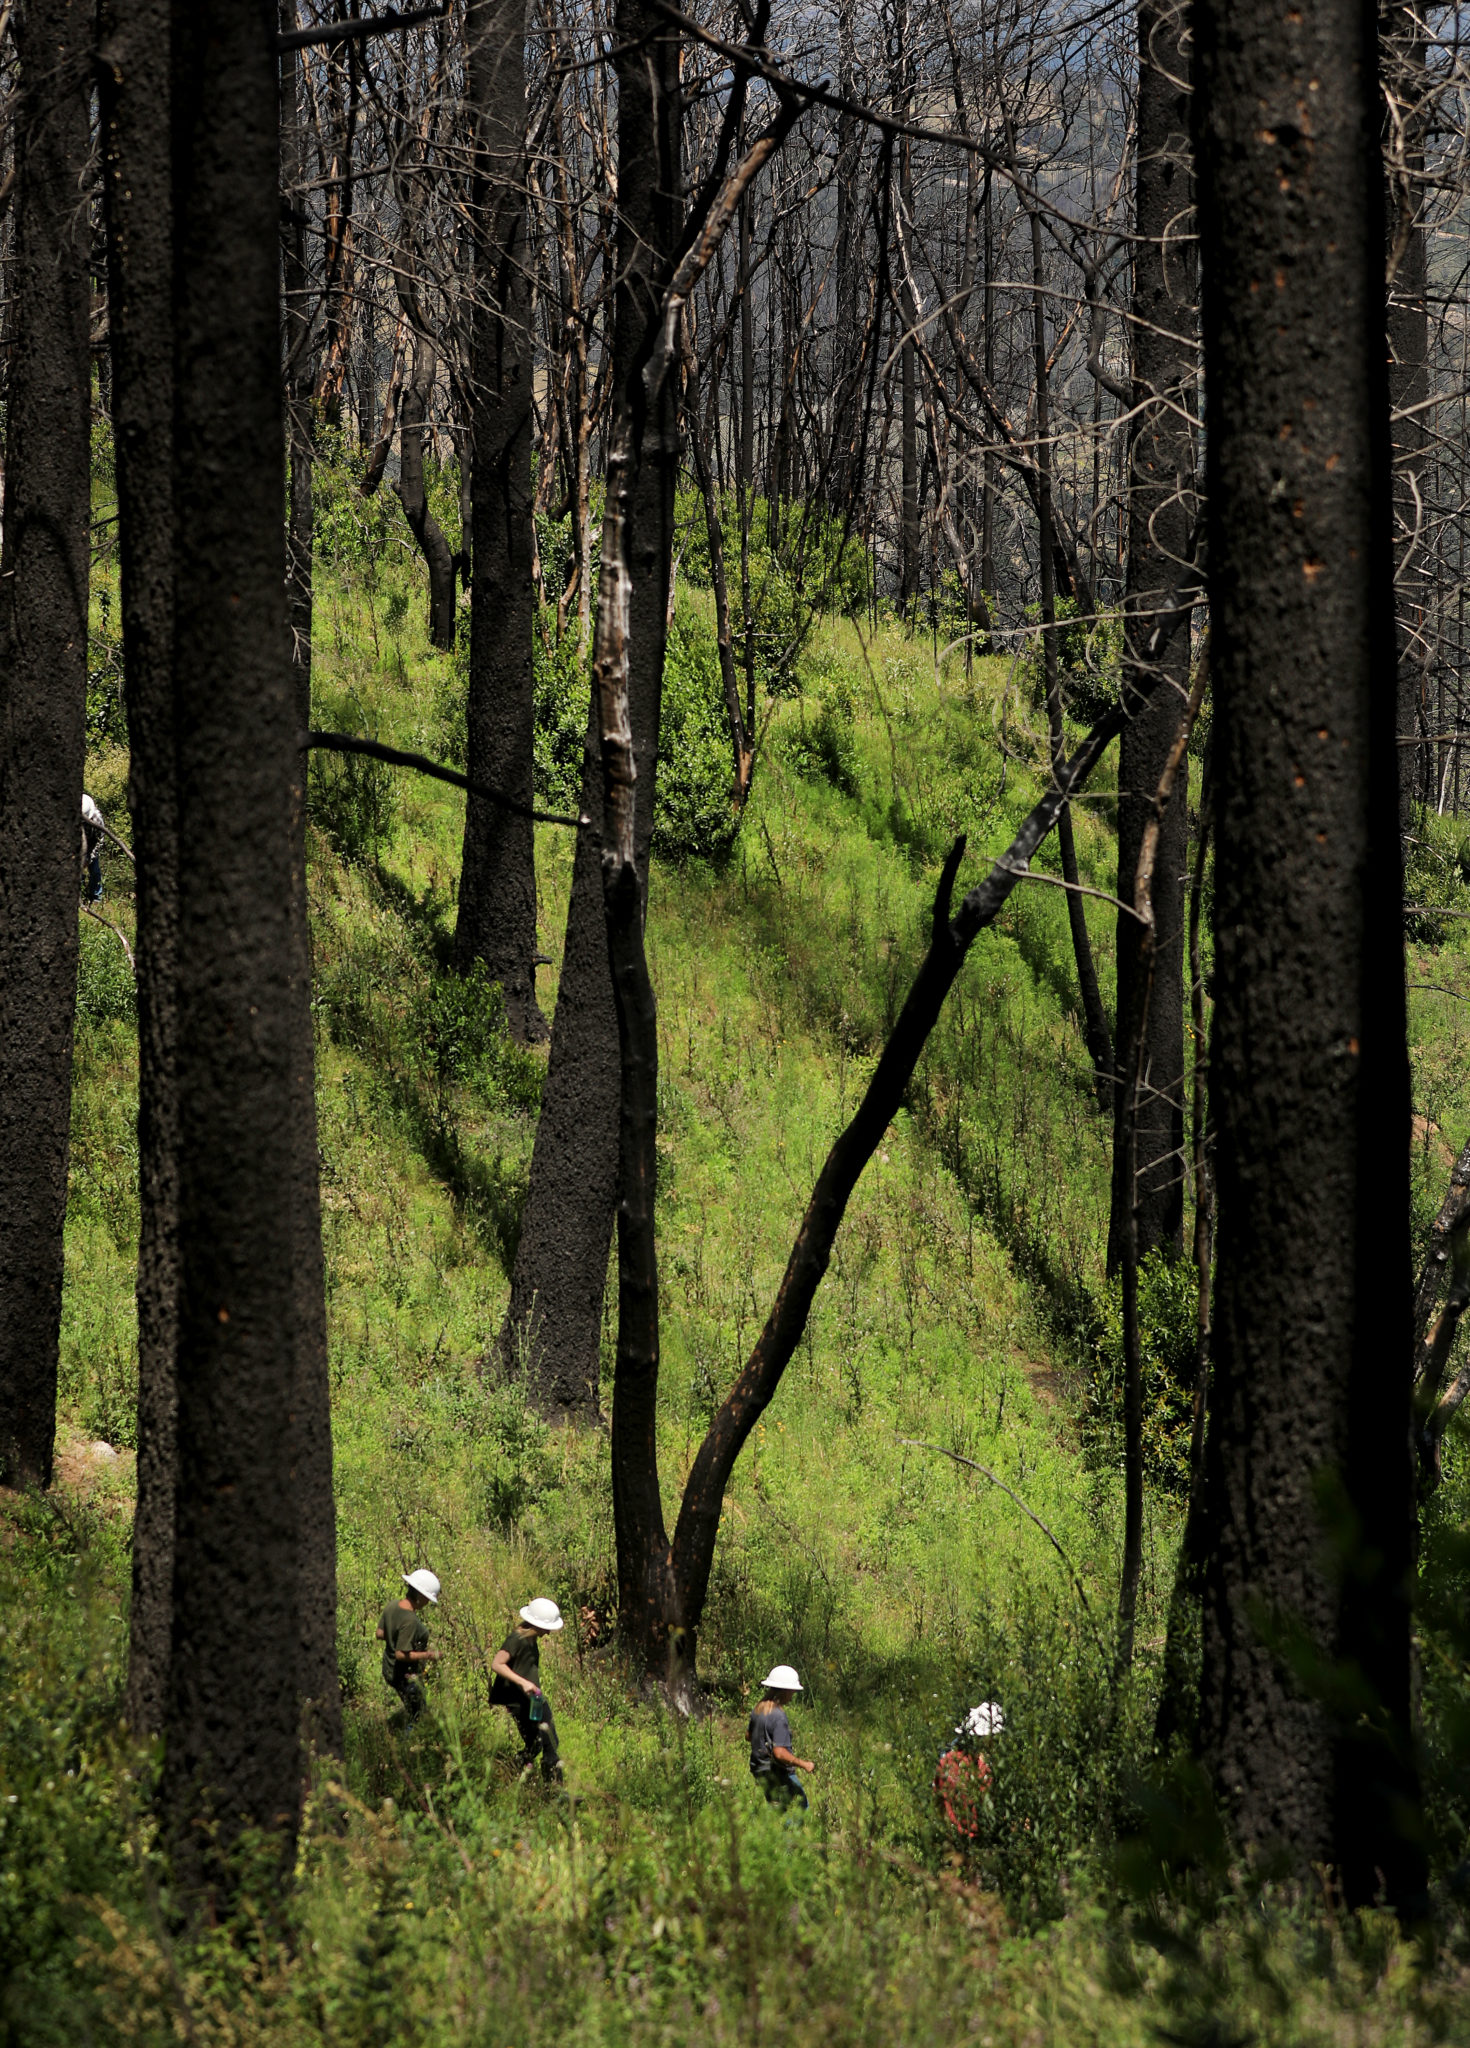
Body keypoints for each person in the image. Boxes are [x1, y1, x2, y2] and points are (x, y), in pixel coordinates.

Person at [489, 1596, 564, 1781]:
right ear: (536, 1624)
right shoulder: (517, 1639)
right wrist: (523, 1682)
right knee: (548, 1742)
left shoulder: (530, 1639)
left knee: (539, 1743)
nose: (548, 1632)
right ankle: (555, 1790)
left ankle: (511, 1769)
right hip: (520, 1701)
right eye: (547, 1628)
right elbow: (497, 1664)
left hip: (532, 1699)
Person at [377, 1568, 441, 1726]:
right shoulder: (410, 1620)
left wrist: (395, 1636)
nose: (427, 1603)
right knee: (418, 1716)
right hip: (404, 1675)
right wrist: (429, 1655)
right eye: (427, 1599)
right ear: (419, 1596)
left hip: (388, 1668)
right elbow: (400, 1654)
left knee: (416, 1711)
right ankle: (408, 1746)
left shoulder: (392, 1605)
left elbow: (379, 1633)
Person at [747, 1663, 816, 1809]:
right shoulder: (778, 1716)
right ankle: (789, 1832)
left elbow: (748, 1736)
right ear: (785, 1691)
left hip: (759, 1770)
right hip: (778, 1772)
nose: (792, 1696)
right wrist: (804, 1764)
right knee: (801, 1807)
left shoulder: (758, 1709)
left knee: (778, 1808)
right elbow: (779, 1753)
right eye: (792, 1691)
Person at [934, 1700, 1003, 1840]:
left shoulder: (947, 1760)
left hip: (953, 1838)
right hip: (982, 1840)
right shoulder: (985, 1767)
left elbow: (937, 1802)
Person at [81, 793, 105, 903]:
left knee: (95, 871)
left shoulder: (97, 819)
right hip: (77, 845)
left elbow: (99, 841)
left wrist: (89, 857)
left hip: (92, 844)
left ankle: (96, 898)